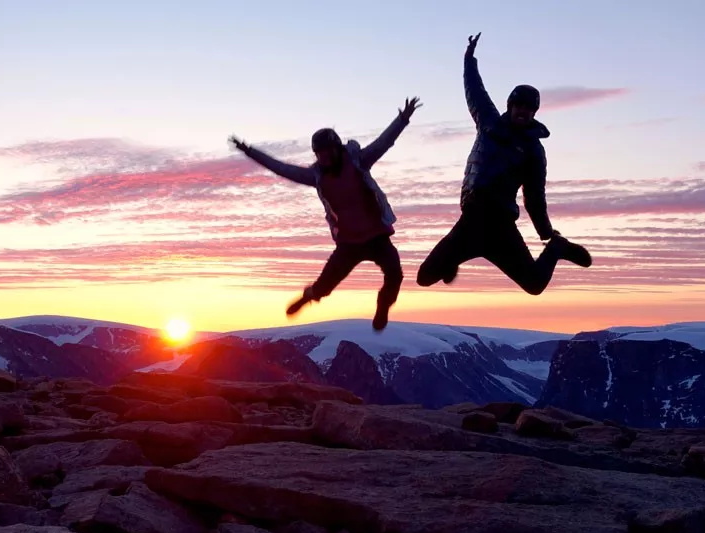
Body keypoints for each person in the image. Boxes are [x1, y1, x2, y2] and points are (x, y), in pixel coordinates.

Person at [416, 33, 591, 295]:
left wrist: (545, 233)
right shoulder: (489, 123)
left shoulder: (533, 151)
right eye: (518, 105)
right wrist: (469, 59)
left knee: (534, 285)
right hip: (471, 221)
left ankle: (557, 249)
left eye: (528, 108)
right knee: (424, 277)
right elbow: (475, 92)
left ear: (534, 112)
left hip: (501, 228)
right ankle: (451, 262)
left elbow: (534, 197)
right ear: (510, 106)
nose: (522, 111)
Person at [229, 97, 421, 331]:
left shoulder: (358, 161)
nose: (324, 158)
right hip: (348, 245)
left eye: (327, 152)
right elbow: (280, 168)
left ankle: (383, 307)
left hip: (378, 238)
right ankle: (309, 296)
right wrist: (249, 151)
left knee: (395, 274)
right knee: (325, 286)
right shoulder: (317, 177)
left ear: (337, 148)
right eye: (319, 154)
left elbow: (383, 143)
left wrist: (402, 119)